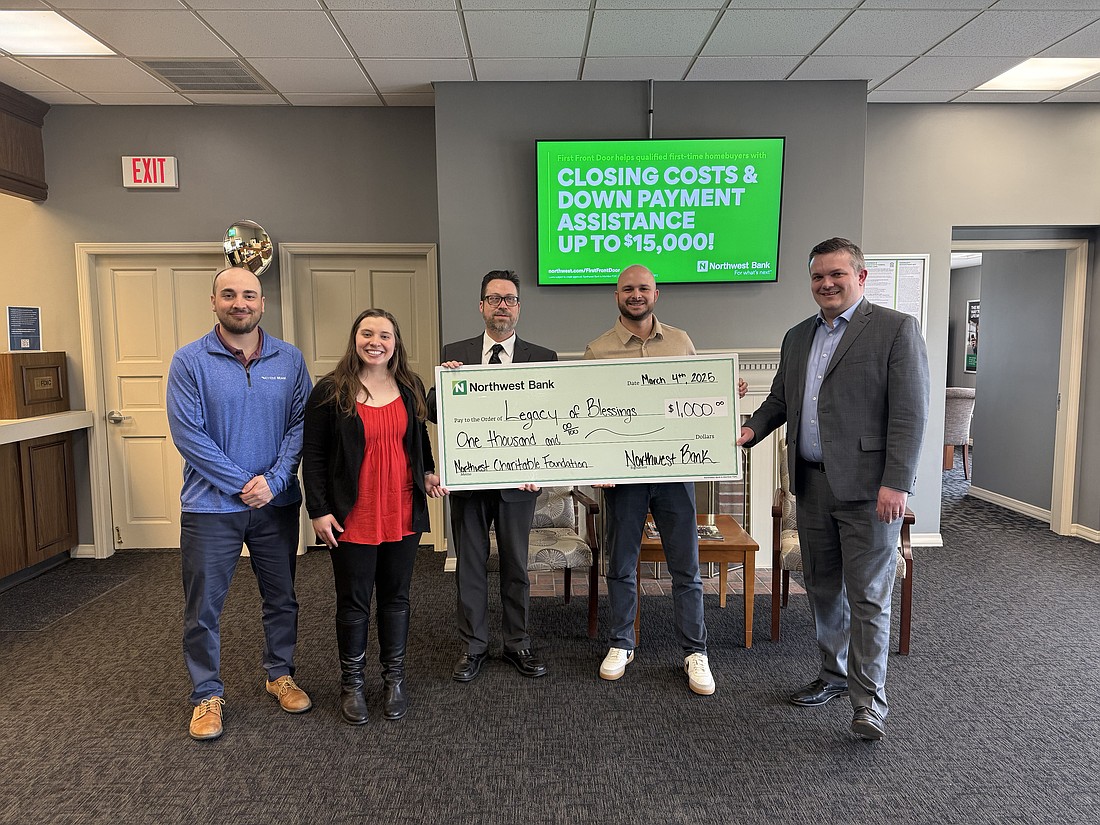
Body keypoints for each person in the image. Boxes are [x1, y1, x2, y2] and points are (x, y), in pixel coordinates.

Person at [737, 237, 929, 741]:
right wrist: (750, 431)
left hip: (870, 491)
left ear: (860, 277)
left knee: (868, 596)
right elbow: (779, 399)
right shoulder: (798, 336)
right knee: (823, 589)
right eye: (818, 276)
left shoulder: (895, 329)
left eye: (837, 275)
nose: (826, 284)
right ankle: (832, 674)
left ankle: (870, 703)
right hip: (813, 486)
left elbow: (911, 415)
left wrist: (897, 483)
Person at [167, 266, 313, 741]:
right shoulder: (189, 361)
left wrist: (272, 482)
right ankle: (206, 694)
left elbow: (300, 427)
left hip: (276, 503)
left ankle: (279, 673)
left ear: (262, 303)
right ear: (213, 301)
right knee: (204, 606)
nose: (239, 303)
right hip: (211, 507)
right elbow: (190, 435)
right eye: (228, 295)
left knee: (281, 597)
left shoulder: (289, 359)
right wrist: (243, 483)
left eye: (249, 295)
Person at [302, 308, 446, 725]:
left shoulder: (409, 385)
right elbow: (313, 455)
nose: (375, 342)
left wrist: (430, 472)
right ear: (355, 338)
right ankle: (352, 685)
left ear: (395, 342)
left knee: (396, 598)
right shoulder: (331, 390)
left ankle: (394, 680)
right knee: (353, 602)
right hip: (353, 514)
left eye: (385, 335)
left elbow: (417, 441)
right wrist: (318, 510)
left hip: (401, 508)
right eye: (367, 334)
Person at [584, 264, 717, 695]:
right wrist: (596, 466)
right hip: (623, 481)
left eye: (643, 288)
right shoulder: (597, 350)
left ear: (656, 294)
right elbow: (587, 416)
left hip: (675, 473)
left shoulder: (681, 342)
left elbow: (700, 400)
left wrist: (723, 396)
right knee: (620, 564)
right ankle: (622, 643)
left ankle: (695, 652)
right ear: (616, 295)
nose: (635, 295)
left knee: (687, 568)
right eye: (628, 289)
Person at [429, 270, 557, 683]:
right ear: (481, 306)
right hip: (468, 483)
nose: (502, 305)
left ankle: (517, 643)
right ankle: (473, 646)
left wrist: (543, 468)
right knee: (469, 565)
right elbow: (431, 411)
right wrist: (443, 384)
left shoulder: (544, 357)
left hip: (519, 485)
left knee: (516, 565)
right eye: (494, 298)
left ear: (519, 307)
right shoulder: (457, 353)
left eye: (510, 299)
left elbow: (553, 420)